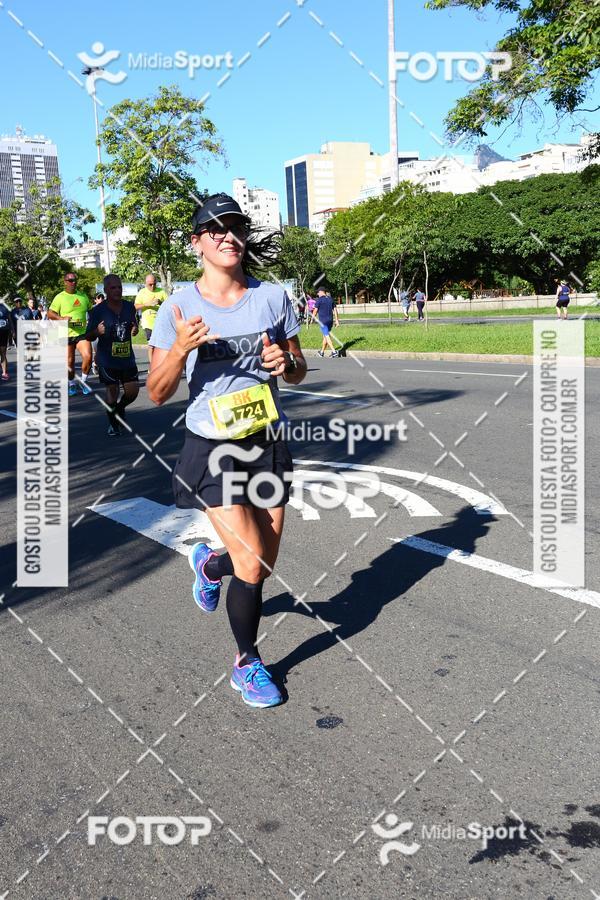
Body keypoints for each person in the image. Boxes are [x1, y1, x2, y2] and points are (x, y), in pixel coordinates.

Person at [147, 192, 306, 709]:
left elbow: (298, 367)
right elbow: (156, 391)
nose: (228, 235)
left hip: (266, 439)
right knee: (254, 561)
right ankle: (246, 663)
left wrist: (286, 362)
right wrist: (179, 350)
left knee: (261, 561)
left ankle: (210, 566)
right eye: (214, 229)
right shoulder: (178, 307)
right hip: (212, 446)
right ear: (196, 243)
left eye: (235, 226)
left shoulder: (273, 298)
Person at [83, 274, 139, 436]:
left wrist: (134, 329)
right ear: (106, 290)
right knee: (112, 391)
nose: (117, 290)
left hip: (127, 358)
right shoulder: (97, 311)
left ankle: (120, 409)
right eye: (113, 287)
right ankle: (113, 424)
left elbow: (133, 325)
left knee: (132, 392)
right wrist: (96, 331)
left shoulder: (129, 307)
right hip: (107, 359)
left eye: (119, 287)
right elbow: (89, 336)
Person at [47, 273, 93, 396]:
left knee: (88, 356)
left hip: (82, 333)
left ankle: (83, 382)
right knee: (69, 362)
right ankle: (72, 383)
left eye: (75, 280)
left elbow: (92, 311)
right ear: (65, 282)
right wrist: (60, 318)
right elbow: (50, 313)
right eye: (70, 280)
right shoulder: (60, 297)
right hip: (65, 333)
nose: (73, 282)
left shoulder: (83, 296)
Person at [135, 274, 167, 367]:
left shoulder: (161, 292)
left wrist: (160, 302)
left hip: (160, 323)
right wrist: (147, 304)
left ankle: (160, 365)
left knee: (161, 346)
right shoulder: (142, 292)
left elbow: (169, 305)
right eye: (150, 284)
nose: (152, 286)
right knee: (151, 345)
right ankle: (153, 366)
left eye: (154, 284)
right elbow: (135, 306)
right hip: (148, 324)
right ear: (145, 283)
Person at [312, 286, 340, 358]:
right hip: (330, 320)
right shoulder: (331, 299)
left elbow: (315, 310)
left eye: (318, 292)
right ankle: (322, 352)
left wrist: (312, 318)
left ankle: (334, 352)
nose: (317, 294)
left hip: (323, 321)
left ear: (321, 292)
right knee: (325, 336)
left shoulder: (319, 300)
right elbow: (335, 310)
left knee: (327, 336)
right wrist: (337, 320)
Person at [91, 292, 105, 375]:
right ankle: (95, 364)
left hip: (105, 333)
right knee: (97, 352)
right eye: (99, 298)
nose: (101, 299)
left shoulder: (107, 308)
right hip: (95, 333)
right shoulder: (92, 310)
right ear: (95, 300)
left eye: (102, 297)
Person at [0, 300, 14, 380]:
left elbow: (10, 319)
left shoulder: (4, 307)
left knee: (3, 352)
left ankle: (4, 373)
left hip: (3, 331)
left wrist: (13, 330)